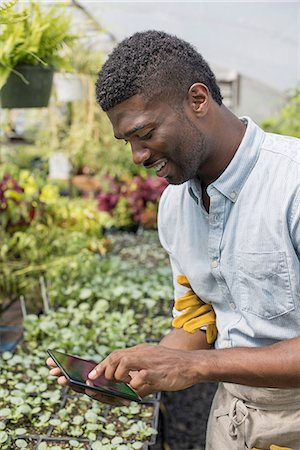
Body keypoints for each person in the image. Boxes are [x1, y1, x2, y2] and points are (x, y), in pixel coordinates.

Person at [47, 30, 300, 449]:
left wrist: (196, 367)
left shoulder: (291, 184)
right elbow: (201, 313)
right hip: (232, 420)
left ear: (197, 100)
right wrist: (138, 372)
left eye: (144, 133)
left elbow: (199, 361)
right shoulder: (175, 208)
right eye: (127, 141)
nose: (137, 156)